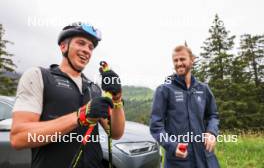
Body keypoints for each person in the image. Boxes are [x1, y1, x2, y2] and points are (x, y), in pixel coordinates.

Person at [10, 22, 125, 168]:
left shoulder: (94, 88)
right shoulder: (39, 76)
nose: (87, 50)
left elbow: (115, 133)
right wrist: (80, 116)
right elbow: (19, 138)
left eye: (90, 47)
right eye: (81, 43)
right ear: (63, 47)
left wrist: (117, 98)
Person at [150, 45, 220, 168]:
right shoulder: (164, 90)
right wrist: (171, 145)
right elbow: (156, 126)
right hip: (178, 160)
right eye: (175, 60)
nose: (179, 63)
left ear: (192, 60)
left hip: (205, 158)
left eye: (182, 59)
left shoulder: (203, 89)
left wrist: (211, 132)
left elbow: (213, 115)